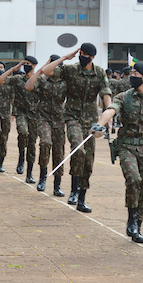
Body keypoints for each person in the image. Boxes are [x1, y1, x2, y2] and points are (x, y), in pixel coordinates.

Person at [90, 62, 143, 243]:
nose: (132, 75)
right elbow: (111, 110)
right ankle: (132, 219)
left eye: (135, 73)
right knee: (134, 179)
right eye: (131, 72)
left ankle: (138, 225)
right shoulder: (124, 97)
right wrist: (100, 124)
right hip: (126, 146)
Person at [42, 43, 112, 213]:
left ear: (92, 57)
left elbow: (105, 94)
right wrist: (65, 57)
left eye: (85, 54)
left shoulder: (100, 72)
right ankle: (73, 190)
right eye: (80, 53)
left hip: (91, 121)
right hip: (72, 117)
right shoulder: (71, 69)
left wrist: (108, 114)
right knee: (78, 149)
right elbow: (46, 71)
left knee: (88, 160)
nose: (82, 56)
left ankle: (82, 198)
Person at [25, 55, 66, 196]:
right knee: (45, 143)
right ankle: (42, 177)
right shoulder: (42, 80)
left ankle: (57, 185)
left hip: (59, 119)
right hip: (43, 117)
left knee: (59, 152)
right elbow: (28, 86)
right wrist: (41, 69)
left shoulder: (65, 81)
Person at [0, 56, 40, 184]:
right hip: (21, 113)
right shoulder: (17, 79)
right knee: (23, 132)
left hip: (35, 115)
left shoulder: (38, 80)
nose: (26, 65)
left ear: (34, 65)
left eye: (29, 63)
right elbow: (0, 80)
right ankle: (21, 155)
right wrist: (14, 68)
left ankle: (29, 172)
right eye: (24, 63)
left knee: (32, 144)